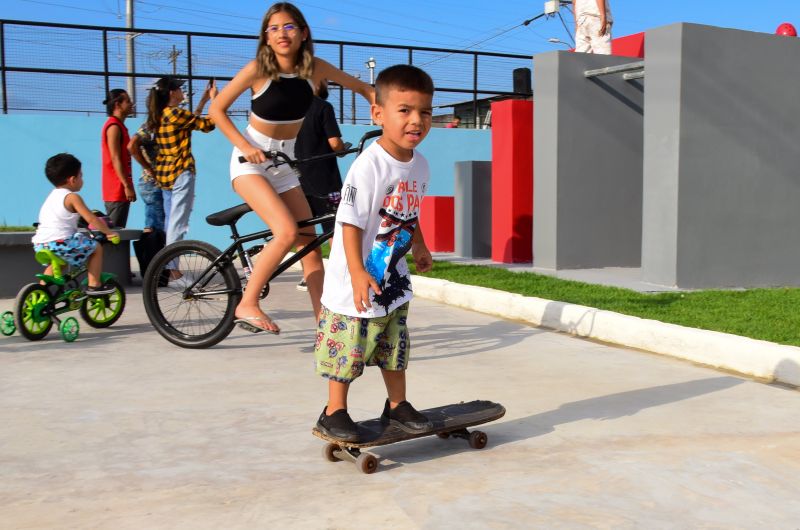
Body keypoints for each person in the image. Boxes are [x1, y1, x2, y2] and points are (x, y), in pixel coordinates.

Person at [209, 1, 375, 335]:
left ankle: (326, 329)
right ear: (266, 38)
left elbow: (363, 87)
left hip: (284, 164)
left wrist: (375, 102)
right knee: (285, 231)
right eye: (273, 28)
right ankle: (247, 302)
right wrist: (245, 146)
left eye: (288, 27)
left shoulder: (314, 68)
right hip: (250, 163)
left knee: (309, 246)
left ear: (303, 33)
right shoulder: (259, 69)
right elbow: (216, 110)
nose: (281, 33)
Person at [312, 64, 435, 442]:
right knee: (348, 347)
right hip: (357, 281)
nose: (416, 121)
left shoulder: (421, 165)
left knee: (393, 343)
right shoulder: (369, 165)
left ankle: (397, 404)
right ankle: (334, 412)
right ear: (378, 113)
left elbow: (408, 210)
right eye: (405, 111)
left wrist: (419, 244)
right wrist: (356, 272)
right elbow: (348, 223)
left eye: (425, 112)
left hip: (391, 278)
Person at [149, 76, 216, 263]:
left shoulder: (162, 114)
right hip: (180, 172)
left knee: (171, 221)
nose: (182, 92)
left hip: (166, 174)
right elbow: (208, 125)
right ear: (172, 93)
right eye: (179, 89)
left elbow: (191, 122)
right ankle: (173, 270)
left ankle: (170, 268)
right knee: (177, 224)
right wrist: (216, 101)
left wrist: (204, 101)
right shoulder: (175, 113)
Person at [32, 153, 120, 295]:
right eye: (81, 176)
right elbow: (92, 219)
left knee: (60, 261)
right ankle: (94, 285)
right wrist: (109, 232)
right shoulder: (72, 197)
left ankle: (38, 293)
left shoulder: (51, 196)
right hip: (61, 242)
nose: (82, 179)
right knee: (96, 248)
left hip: (41, 243)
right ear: (72, 180)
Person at [294, 80, 346, 292]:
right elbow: (335, 143)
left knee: (306, 230)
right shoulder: (322, 107)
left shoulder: (290, 108)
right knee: (335, 226)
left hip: (295, 178)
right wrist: (342, 149)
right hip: (325, 177)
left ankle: (309, 276)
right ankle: (339, 275)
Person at [128, 88, 165, 234]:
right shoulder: (151, 126)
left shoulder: (155, 125)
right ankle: (157, 256)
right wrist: (149, 168)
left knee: (153, 224)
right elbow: (132, 146)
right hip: (153, 183)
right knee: (157, 228)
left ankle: (156, 255)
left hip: (153, 182)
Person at [101, 89, 135, 227]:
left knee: (118, 231)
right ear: (117, 105)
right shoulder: (114, 127)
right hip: (116, 190)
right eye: (127, 101)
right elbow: (115, 158)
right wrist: (126, 185)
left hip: (120, 189)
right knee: (115, 234)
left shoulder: (120, 126)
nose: (131, 104)